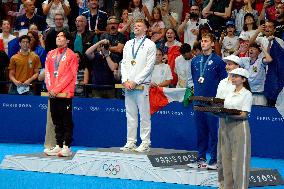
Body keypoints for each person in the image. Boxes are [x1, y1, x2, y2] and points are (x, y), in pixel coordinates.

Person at [189, 32, 227, 169]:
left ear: (212, 43)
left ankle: (215, 160)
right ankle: (201, 158)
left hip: (213, 102)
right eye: (202, 41)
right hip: (198, 101)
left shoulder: (218, 62)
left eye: (206, 41)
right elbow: (195, 79)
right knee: (201, 131)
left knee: (213, 131)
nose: (203, 43)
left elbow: (224, 82)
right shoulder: (195, 61)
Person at [120, 19, 156, 152]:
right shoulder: (128, 44)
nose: (136, 27)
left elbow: (149, 66)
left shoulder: (150, 44)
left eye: (139, 25)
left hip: (142, 85)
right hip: (128, 85)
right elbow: (123, 63)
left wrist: (136, 81)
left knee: (144, 115)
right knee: (130, 114)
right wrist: (125, 80)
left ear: (146, 29)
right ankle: (131, 141)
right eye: (135, 25)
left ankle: (145, 142)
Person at [44, 31, 78, 157]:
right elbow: (47, 72)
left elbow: (70, 75)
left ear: (68, 40)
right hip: (53, 93)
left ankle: (67, 147)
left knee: (66, 121)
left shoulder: (71, 55)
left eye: (61, 36)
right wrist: (50, 88)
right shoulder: (50, 54)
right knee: (56, 120)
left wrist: (56, 89)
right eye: (57, 36)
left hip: (64, 94)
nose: (58, 38)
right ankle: (58, 145)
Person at [218, 67, 252, 189]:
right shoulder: (229, 93)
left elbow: (244, 114)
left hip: (239, 127)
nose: (233, 78)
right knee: (226, 159)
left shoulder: (247, 94)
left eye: (236, 76)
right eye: (232, 76)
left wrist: (229, 114)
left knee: (239, 160)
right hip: (226, 125)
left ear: (243, 79)